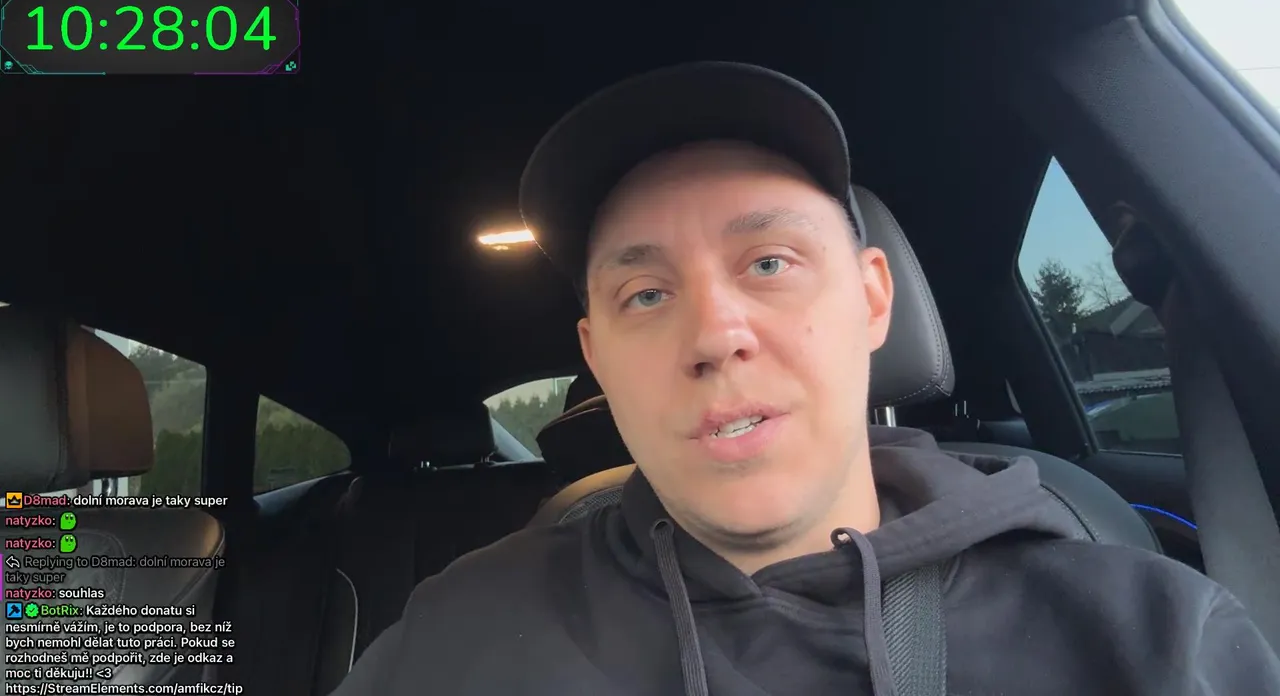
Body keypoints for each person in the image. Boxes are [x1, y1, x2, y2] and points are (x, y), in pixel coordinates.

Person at [331, 62, 1280, 695]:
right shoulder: (454, 640)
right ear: (597, 358)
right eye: (646, 294)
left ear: (873, 301)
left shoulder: (1153, 640)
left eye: (769, 263)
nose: (715, 335)